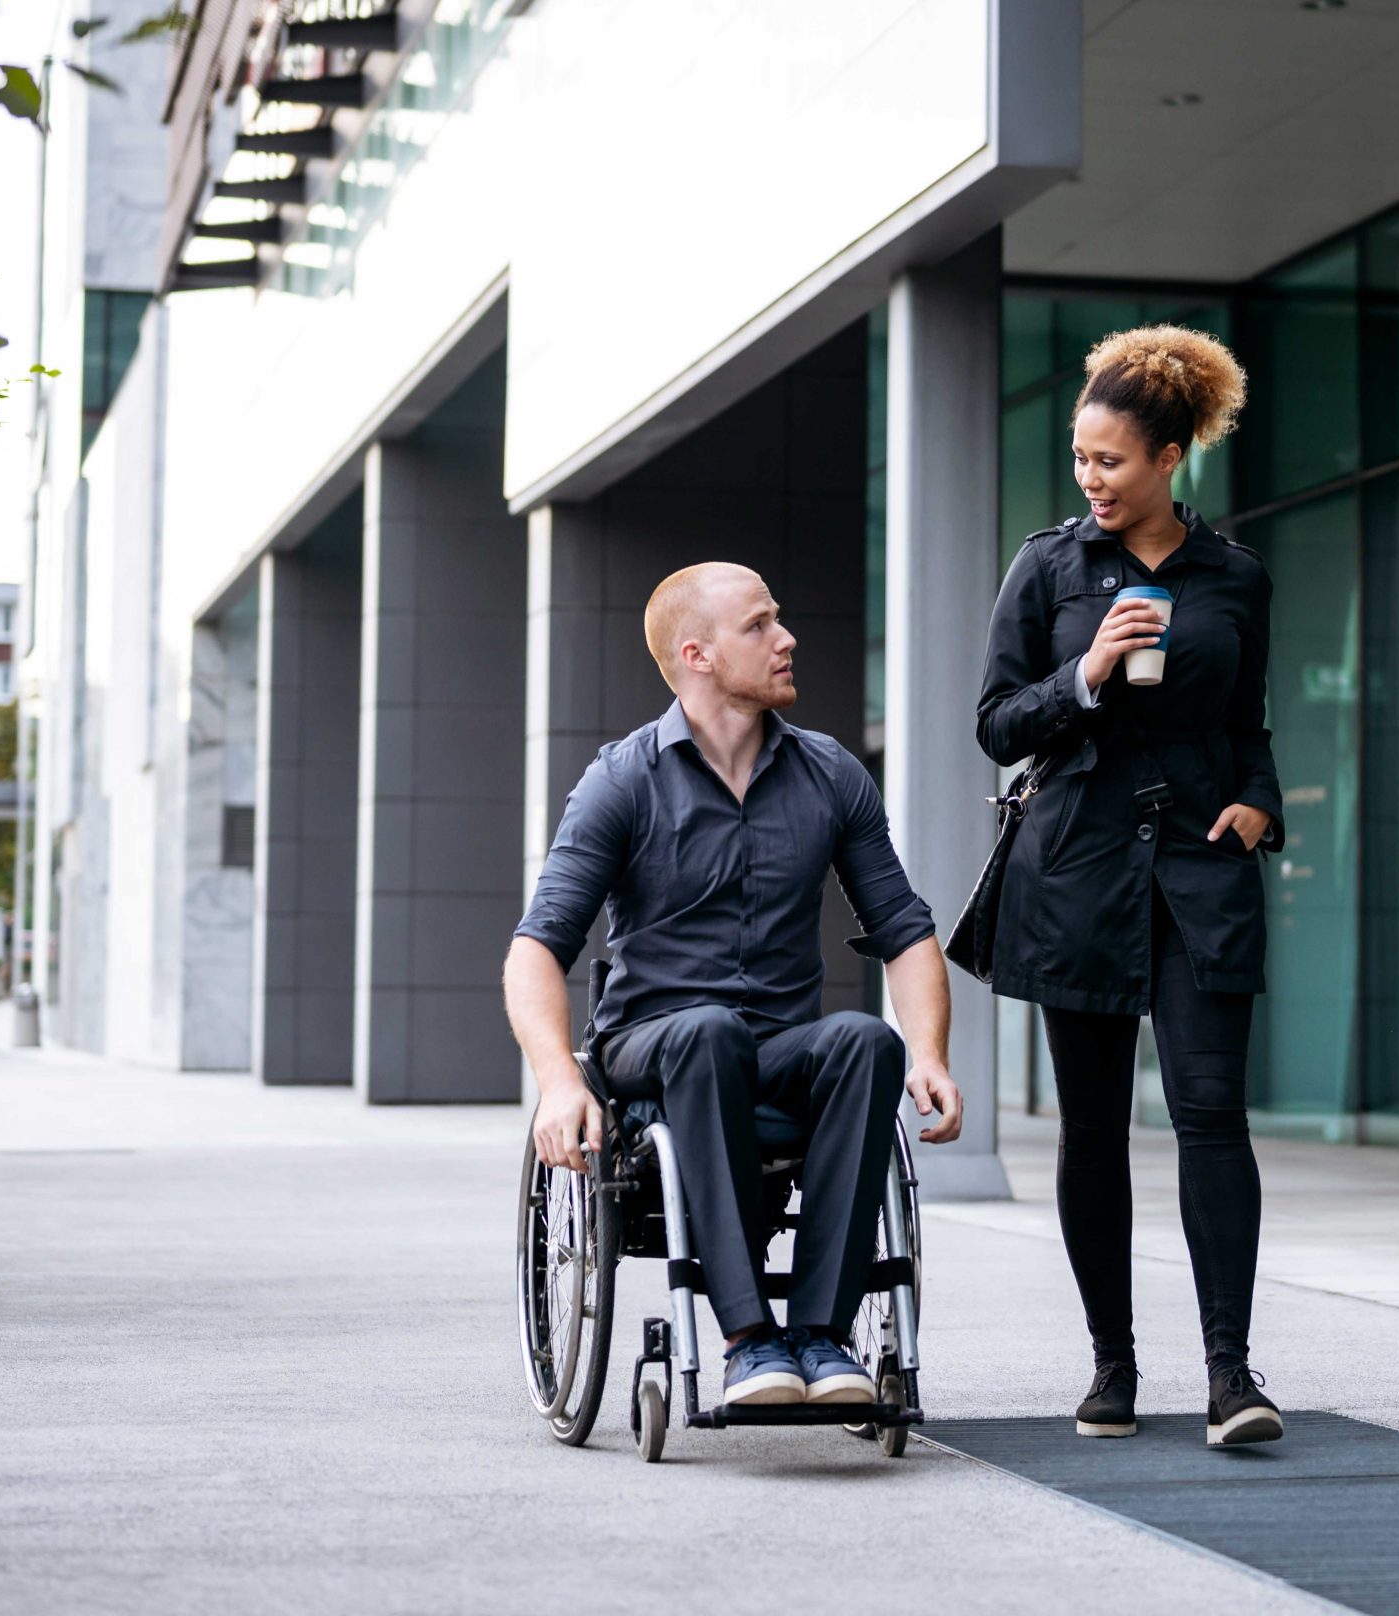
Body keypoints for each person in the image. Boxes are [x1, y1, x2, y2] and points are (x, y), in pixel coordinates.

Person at [504, 562, 965, 1410]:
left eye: (778, 619)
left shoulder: (831, 776)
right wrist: (557, 1082)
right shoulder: (623, 780)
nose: (786, 639)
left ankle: (822, 1340)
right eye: (759, 625)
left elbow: (904, 929)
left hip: (779, 1045)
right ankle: (749, 1341)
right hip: (653, 1045)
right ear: (698, 655)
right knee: (707, 1030)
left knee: (866, 1040)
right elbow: (537, 947)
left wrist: (928, 1052)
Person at [977, 325, 1284, 1448]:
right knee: (1091, 1129)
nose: (1090, 479)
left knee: (1212, 1117)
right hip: (1078, 876)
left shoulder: (1235, 576)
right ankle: (1112, 1367)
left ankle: (1231, 1377)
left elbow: (1247, 721)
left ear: (1168, 458)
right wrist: (1087, 672)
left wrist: (1261, 799)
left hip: (1203, 872)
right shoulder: (1049, 567)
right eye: (1079, 458)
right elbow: (996, 723)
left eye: (1109, 460)